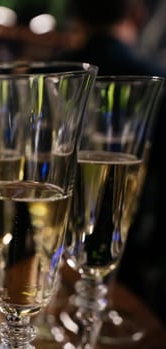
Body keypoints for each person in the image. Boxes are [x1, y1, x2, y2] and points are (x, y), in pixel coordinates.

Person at [56, 0, 166, 325]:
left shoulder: (53, 74)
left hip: (56, 246)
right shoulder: (155, 78)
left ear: (76, 15)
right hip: (133, 257)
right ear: (136, 14)